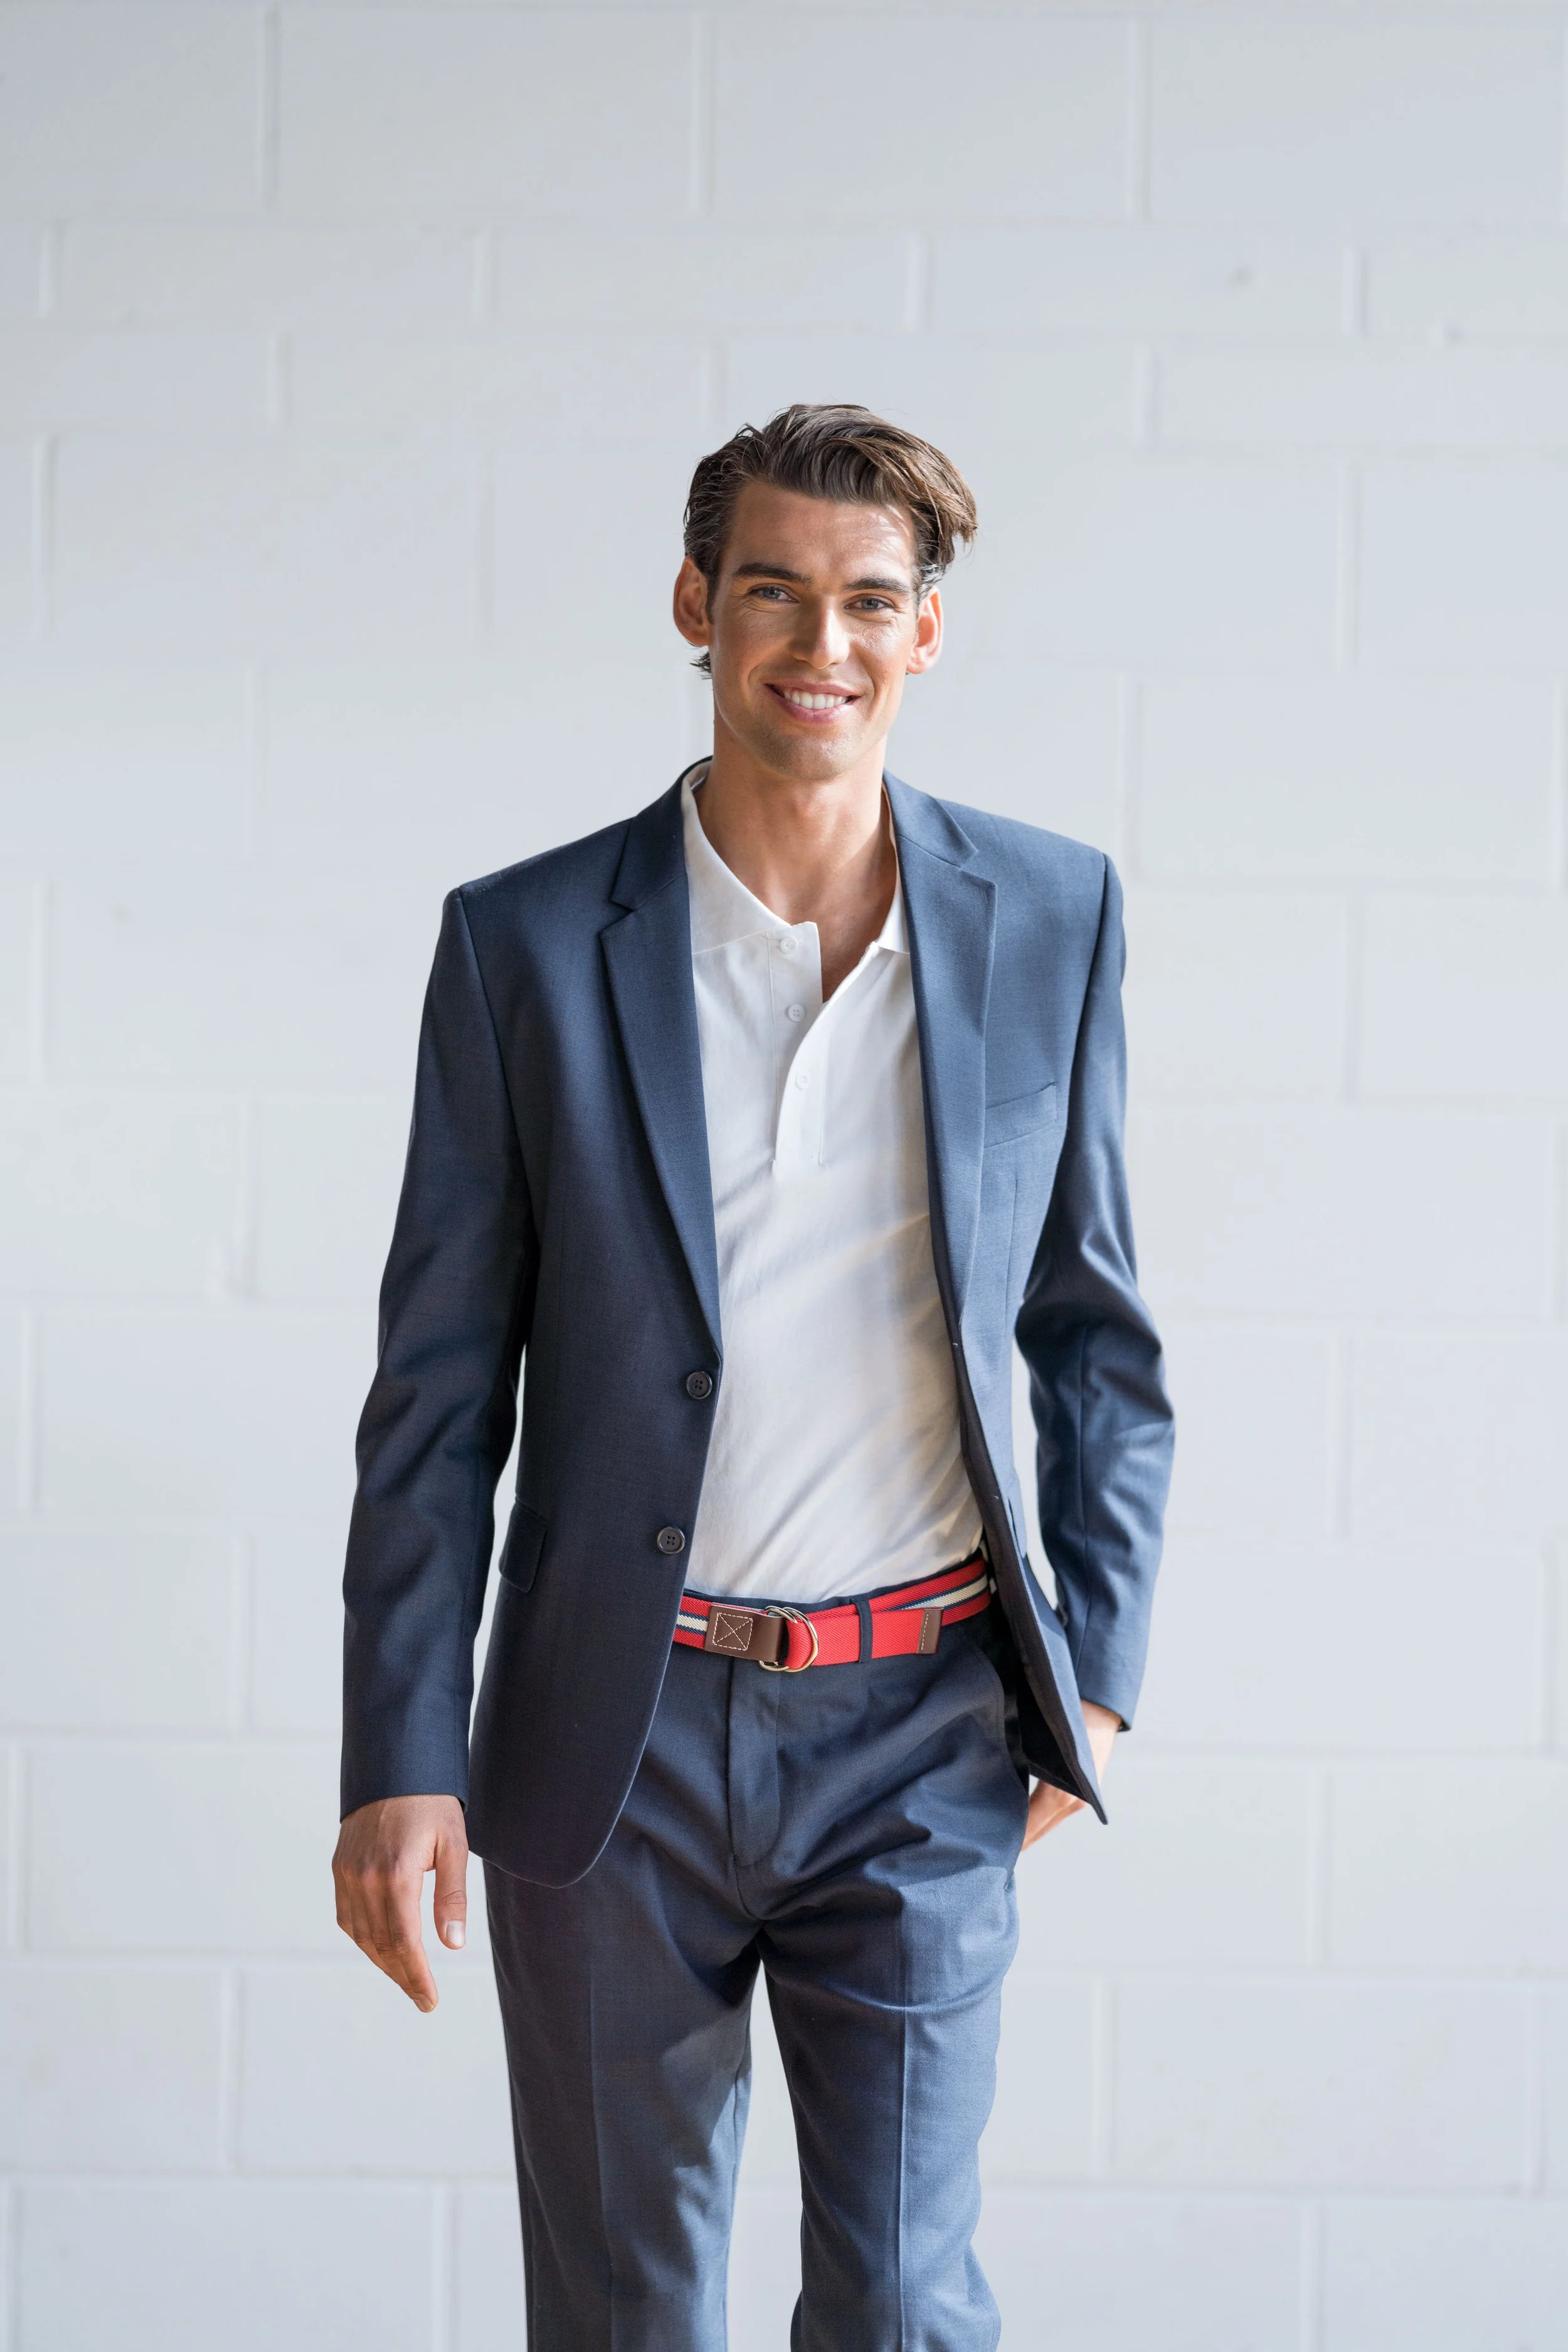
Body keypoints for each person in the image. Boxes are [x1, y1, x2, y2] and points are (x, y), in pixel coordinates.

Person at [333, 403, 1173, 2350]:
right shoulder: (526, 947)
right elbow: (436, 1401)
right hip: (609, 1735)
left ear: (928, 632)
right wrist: (398, 1754)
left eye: (871, 599)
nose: (824, 642)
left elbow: (1097, 1331)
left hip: (926, 1724)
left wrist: (1101, 1676)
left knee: (902, 2303)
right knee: (626, 2311)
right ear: (697, 605)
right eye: (776, 590)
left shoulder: (1050, 916)